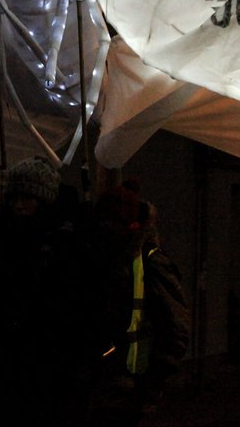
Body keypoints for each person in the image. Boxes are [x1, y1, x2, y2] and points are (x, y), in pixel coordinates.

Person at [0, 157, 92, 427]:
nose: (19, 205)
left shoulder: (66, 246)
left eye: (28, 197)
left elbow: (82, 303)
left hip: (57, 370)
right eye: (14, 197)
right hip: (8, 367)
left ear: (44, 199)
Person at [88, 183, 190, 427]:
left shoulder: (149, 261)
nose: (105, 229)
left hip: (134, 384)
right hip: (101, 380)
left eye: (111, 223)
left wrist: (154, 383)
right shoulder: (100, 257)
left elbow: (175, 328)